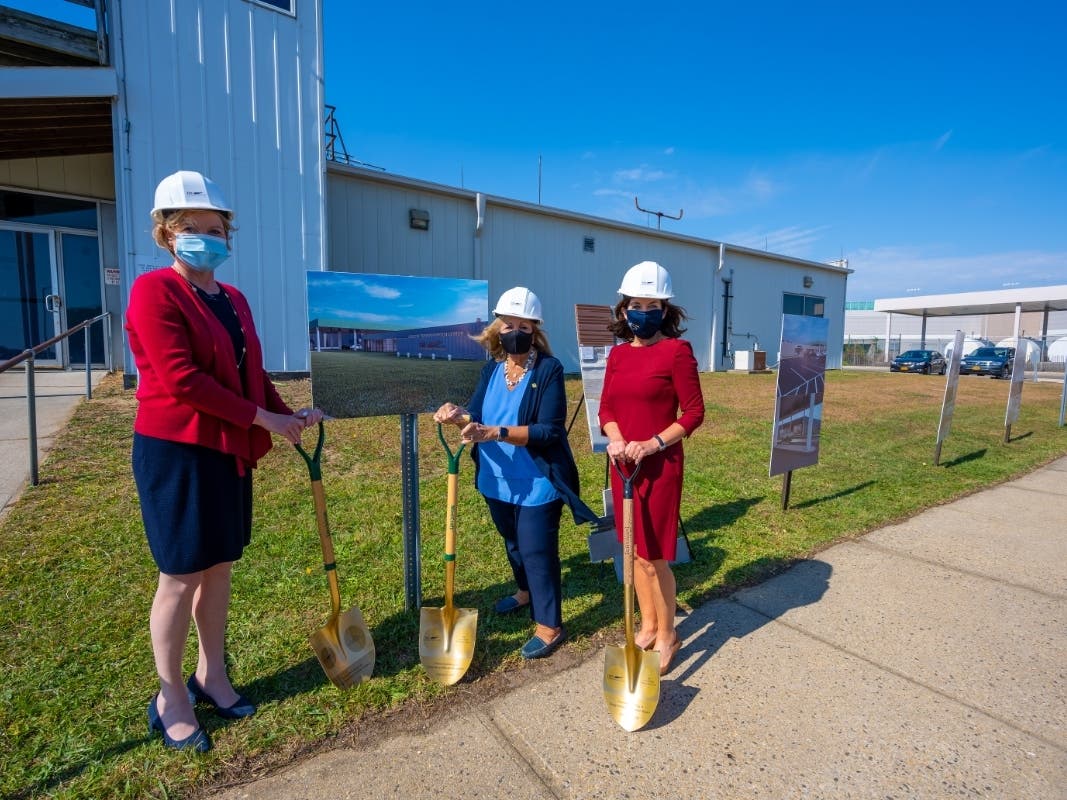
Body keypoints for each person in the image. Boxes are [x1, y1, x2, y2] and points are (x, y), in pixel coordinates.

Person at [126, 170, 323, 752]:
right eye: (193, 227)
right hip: (179, 452)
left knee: (219, 568)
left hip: (227, 450)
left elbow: (249, 372)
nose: (208, 238)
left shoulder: (233, 299)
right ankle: (170, 698)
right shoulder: (154, 292)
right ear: (167, 233)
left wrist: (287, 414)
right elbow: (183, 380)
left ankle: (211, 675)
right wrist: (264, 420)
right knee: (180, 576)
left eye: (216, 229)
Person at [433, 287, 596, 659]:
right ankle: (524, 592)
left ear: (535, 329)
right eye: (509, 325)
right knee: (513, 542)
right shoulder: (492, 368)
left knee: (537, 549)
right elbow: (476, 415)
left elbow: (549, 431)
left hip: (536, 479)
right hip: (496, 478)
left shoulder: (549, 369)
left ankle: (550, 625)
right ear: (497, 328)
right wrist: (456, 415)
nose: (516, 332)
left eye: (524, 326)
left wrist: (497, 433)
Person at [598, 261, 704, 675]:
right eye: (636, 305)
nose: (643, 312)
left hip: (659, 467)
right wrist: (616, 438)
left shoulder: (677, 352)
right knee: (633, 554)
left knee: (655, 556)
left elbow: (693, 413)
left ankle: (668, 634)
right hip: (623, 464)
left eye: (652, 305)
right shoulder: (618, 355)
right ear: (624, 310)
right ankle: (648, 624)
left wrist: (653, 443)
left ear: (665, 310)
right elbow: (606, 408)